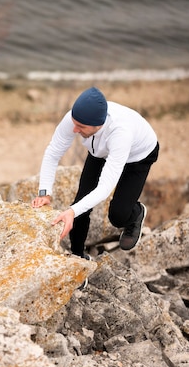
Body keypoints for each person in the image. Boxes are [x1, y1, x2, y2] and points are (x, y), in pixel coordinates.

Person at [31, 86, 159, 259]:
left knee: (118, 216)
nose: (74, 130)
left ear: (99, 125)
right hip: (101, 152)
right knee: (81, 203)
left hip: (140, 155)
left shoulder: (120, 133)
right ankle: (78, 256)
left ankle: (136, 213)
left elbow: (105, 187)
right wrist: (45, 192)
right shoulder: (75, 119)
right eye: (74, 123)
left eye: (80, 126)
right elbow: (53, 152)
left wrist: (71, 211)